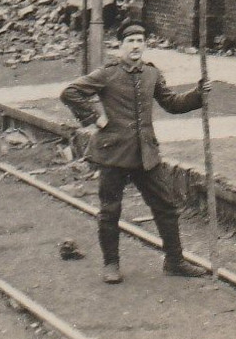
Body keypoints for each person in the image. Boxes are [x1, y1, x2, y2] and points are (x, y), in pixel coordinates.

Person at [60, 22, 211, 282]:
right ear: (121, 46)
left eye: (140, 40)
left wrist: (198, 94)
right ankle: (111, 265)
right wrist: (95, 119)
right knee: (110, 210)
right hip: (114, 154)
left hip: (145, 155)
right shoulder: (107, 73)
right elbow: (70, 93)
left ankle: (175, 261)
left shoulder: (151, 74)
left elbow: (172, 104)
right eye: (130, 41)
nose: (136, 45)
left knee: (165, 205)